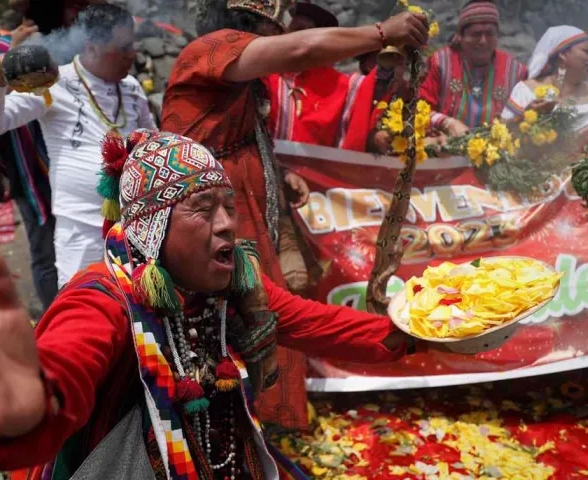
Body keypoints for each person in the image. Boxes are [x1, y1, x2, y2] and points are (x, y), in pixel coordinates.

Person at [0, 129, 423, 480]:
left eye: (229, 206)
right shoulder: (103, 297)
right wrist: (26, 411)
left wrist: (419, 331)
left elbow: (322, 324)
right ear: (152, 227)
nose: (227, 223)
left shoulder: (232, 286)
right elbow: (64, 364)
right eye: (203, 209)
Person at [161, 0, 428, 430]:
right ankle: (220, 420)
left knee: (263, 308)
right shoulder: (211, 49)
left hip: (238, 205)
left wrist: (279, 175)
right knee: (229, 316)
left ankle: (258, 417)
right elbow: (301, 52)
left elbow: (239, 133)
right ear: (255, 22)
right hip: (200, 215)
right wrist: (383, 33)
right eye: (274, 26)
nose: (278, 34)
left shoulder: (237, 68)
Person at [0, 4, 156, 289]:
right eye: (123, 47)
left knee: (138, 316)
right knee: (83, 313)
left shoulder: (132, 87)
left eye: (132, 45)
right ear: (92, 47)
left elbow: (154, 142)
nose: (132, 55)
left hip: (138, 228)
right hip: (81, 235)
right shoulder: (55, 85)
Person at [0, 0, 100, 309]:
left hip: (70, 162)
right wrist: (10, 61)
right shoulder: (4, 44)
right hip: (30, 168)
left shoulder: (73, 46)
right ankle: (57, 319)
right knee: (45, 250)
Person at [419, 0, 527, 132]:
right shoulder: (441, 63)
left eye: (490, 34)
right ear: (460, 36)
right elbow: (420, 110)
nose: (483, 41)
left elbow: (524, 119)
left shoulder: (515, 72)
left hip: (497, 149)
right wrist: (447, 123)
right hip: (445, 147)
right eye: (476, 34)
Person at [262, 2, 349, 146]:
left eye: (311, 31)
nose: (304, 36)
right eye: (298, 29)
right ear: (283, 33)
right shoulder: (262, 75)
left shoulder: (336, 84)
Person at [501, 26, 588, 120]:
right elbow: (504, 134)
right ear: (563, 55)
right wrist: (526, 116)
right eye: (586, 51)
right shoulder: (526, 92)